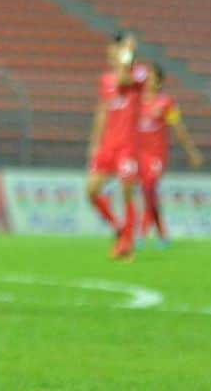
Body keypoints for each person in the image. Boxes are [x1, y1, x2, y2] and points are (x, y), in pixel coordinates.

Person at [86, 34, 148, 260]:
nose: (110, 53)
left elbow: (123, 80)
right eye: (112, 50)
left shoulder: (140, 72)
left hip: (128, 146)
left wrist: (126, 56)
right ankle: (119, 228)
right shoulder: (105, 80)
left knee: (127, 193)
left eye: (116, 49)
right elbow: (103, 111)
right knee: (91, 191)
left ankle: (126, 244)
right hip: (108, 146)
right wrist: (95, 142)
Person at [136, 63, 203, 247]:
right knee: (149, 194)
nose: (147, 81)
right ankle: (162, 233)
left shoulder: (166, 103)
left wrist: (191, 151)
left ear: (159, 82)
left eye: (151, 78)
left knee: (149, 188)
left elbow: (178, 128)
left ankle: (141, 233)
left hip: (157, 155)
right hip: (139, 154)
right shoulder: (136, 101)